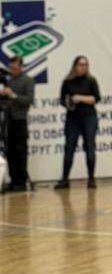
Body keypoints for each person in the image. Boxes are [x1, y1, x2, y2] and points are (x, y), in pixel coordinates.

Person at [56, 54, 101, 190]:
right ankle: (65, 178)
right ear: (75, 66)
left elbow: (96, 98)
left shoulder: (91, 81)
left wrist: (80, 98)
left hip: (89, 117)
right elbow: (62, 100)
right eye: (81, 65)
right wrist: (69, 102)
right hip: (72, 118)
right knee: (69, 147)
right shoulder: (67, 82)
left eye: (85, 65)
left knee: (90, 147)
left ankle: (91, 178)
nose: (83, 67)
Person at [0, 55, 35, 192]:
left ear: (21, 67)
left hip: (20, 119)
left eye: (15, 68)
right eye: (10, 68)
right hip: (8, 119)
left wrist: (13, 95)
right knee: (9, 150)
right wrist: (1, 93)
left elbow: (29, 99)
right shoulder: (8, 80)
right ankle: (13, 179)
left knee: (20, 150)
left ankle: (22, 180)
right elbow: (3, 101)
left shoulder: (28, 80)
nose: (12, 70)